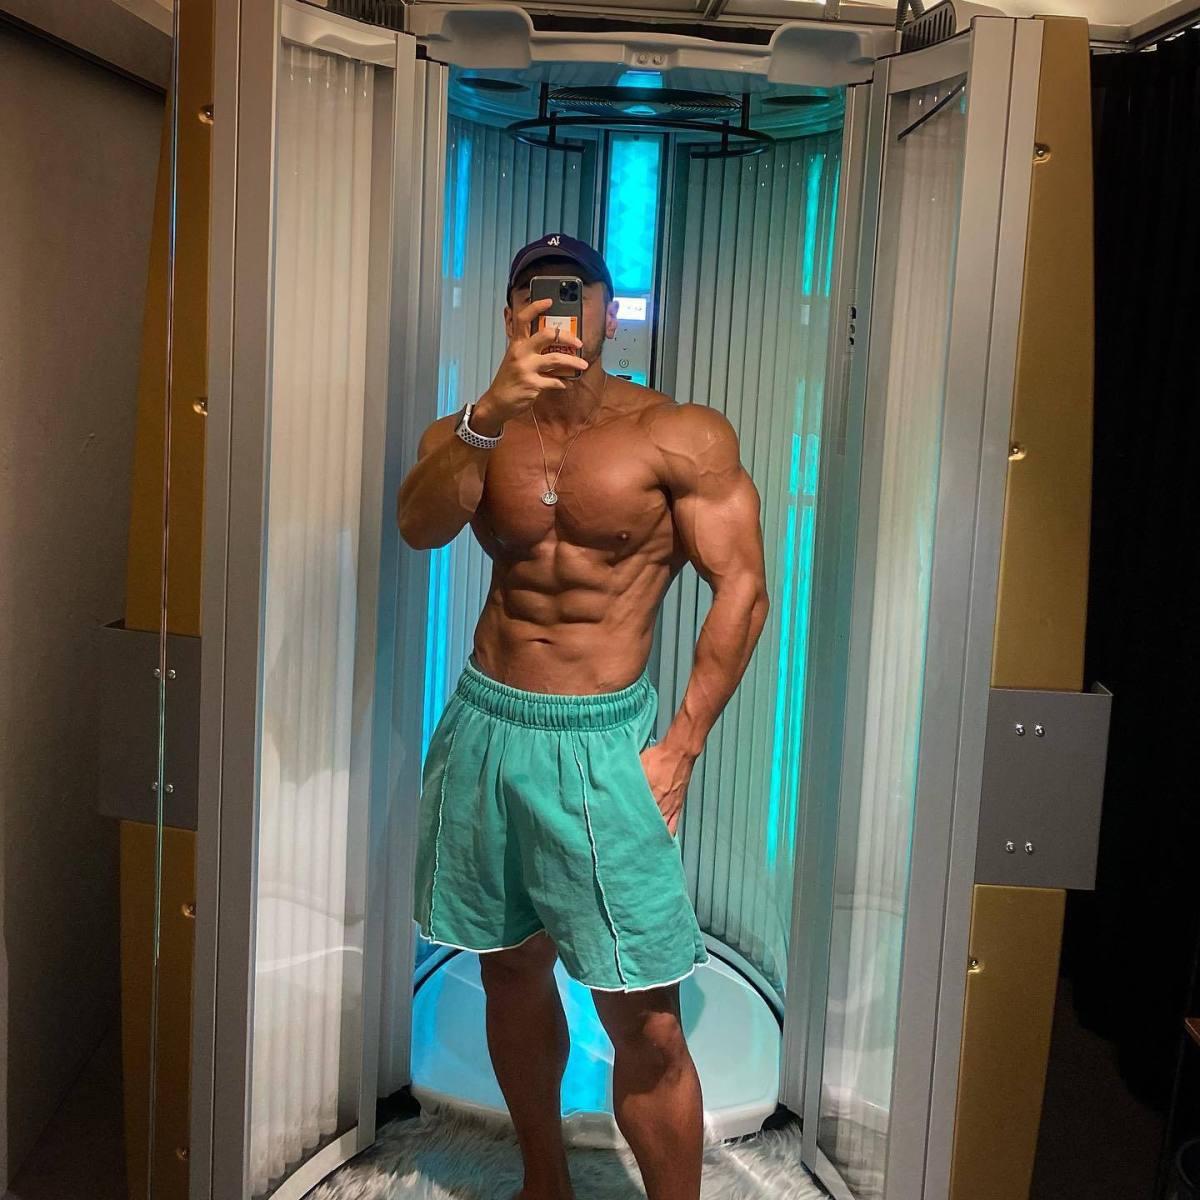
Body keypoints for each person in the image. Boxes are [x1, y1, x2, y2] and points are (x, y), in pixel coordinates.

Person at [397, 233, 770, 1200]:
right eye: (537, 292)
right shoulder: (473, 430)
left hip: (604, 742)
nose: (559, 310)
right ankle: (544, 1184)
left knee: (644, 1016)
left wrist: (681, 745)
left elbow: (744, 587)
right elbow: (418, 526)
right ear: (510, 314)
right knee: (508, 971)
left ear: (609, 312)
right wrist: (487, 414)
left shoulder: (679, 433)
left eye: (578, 293)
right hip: (487, 725)